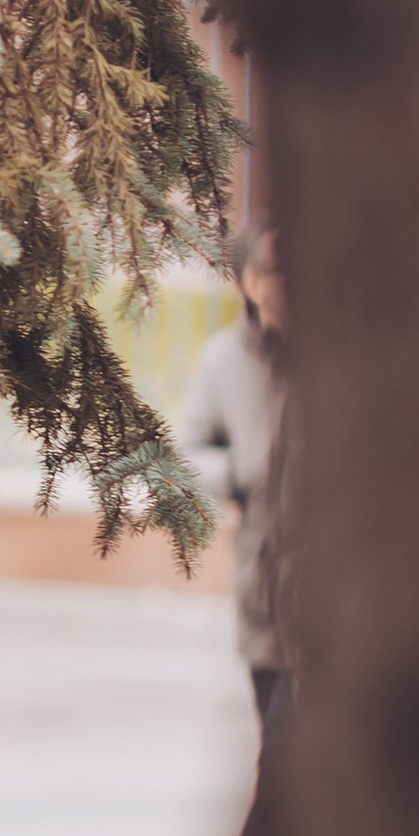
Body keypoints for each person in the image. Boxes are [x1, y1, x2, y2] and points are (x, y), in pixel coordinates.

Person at [176, 217, 289, 736]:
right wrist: (242, 471)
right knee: (275, 746)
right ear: (250, 281)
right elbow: (188, 455)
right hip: (263, 590)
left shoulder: (342, 357)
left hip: (340, 595)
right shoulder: (225, 360)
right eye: (275, 269)